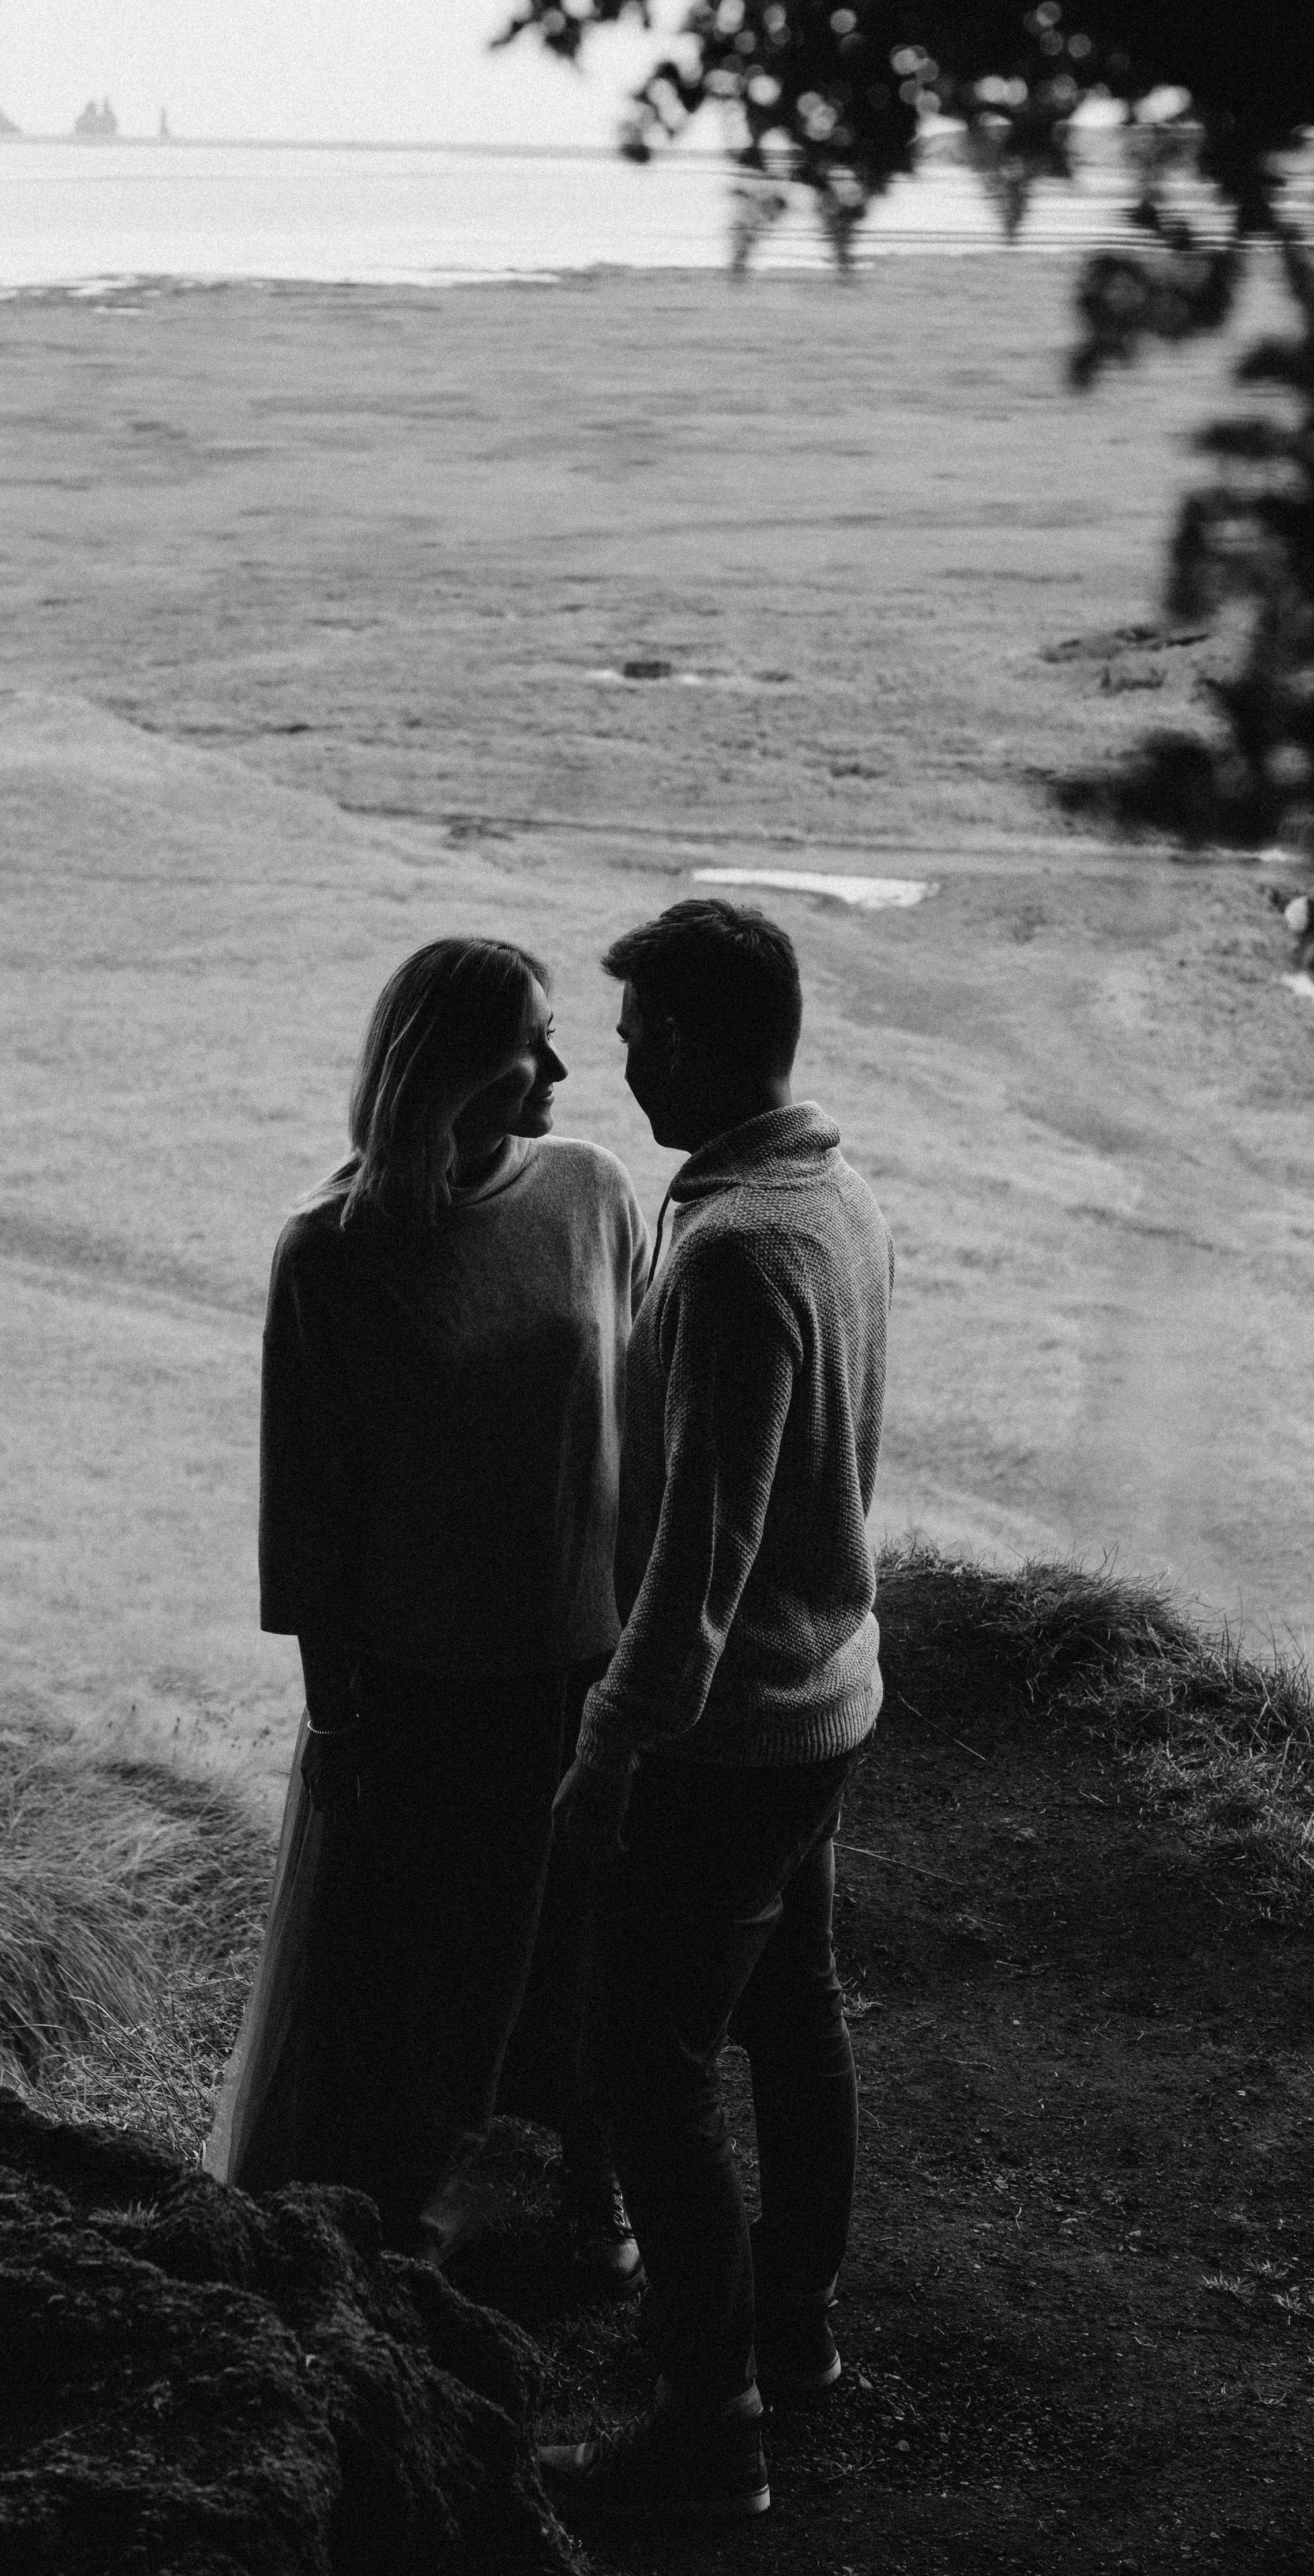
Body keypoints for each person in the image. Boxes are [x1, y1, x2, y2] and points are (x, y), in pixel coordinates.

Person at [539, 898, 893, 2526]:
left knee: (651, 2058)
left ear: (685, 1040)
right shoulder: (837, 1197)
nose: (615, 1067)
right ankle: (798, 2330)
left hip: (732, 1731)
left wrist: (609, 1751)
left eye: (629, 1039)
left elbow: (701, 1560)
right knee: (798, 2005)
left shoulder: (738, 1249)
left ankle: (711, 2419)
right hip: (832, 1699)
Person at [251, 934, 647, 2277]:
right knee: (419, 1970)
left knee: (580, 1946)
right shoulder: (334, 1250)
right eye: (531, 1039)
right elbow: (308, 1516)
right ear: (451, 1063)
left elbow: (639, 1420)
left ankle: (589, 2200)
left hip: (585, 1666)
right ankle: (389, 2224)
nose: (561, 1064)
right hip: (425, 1686)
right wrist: (339, 1719)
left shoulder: (594, 1192)